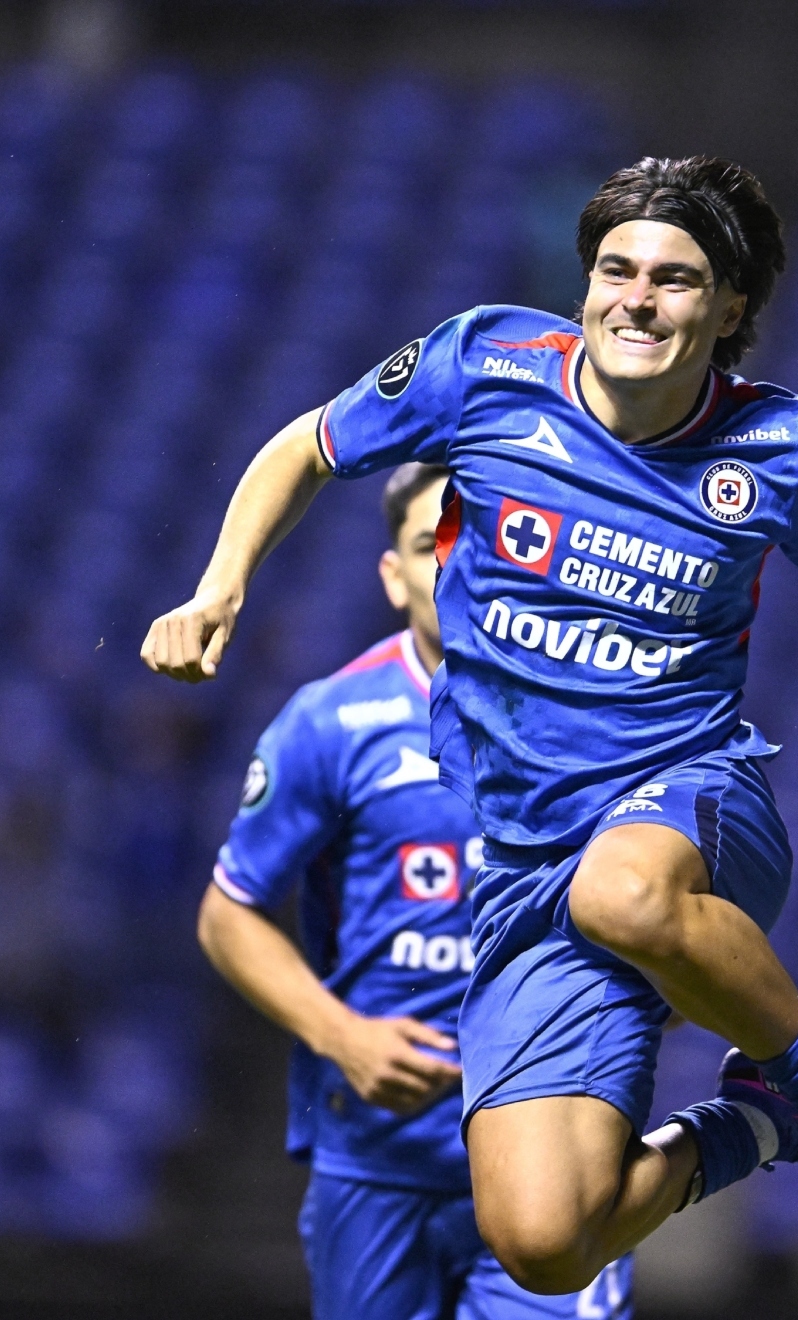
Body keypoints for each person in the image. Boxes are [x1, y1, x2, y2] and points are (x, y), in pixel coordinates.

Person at [147, 156, 798, 1294]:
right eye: (616, 269)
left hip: (691, 800)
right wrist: (220, 585)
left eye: (675, 279)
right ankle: (760, 1126)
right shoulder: (484, 364)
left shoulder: (777, 445)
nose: (636, 297)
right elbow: (303, 447)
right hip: (525, 859)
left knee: (618, 892)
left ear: (729, 309)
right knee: (544, 1240)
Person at [197, 462, 632, 1319]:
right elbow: (227, 913)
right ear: (393, 578)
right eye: (424, 544)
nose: (452, 560)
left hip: (555, 1143)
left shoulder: (605, 723)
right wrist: (342, 1035)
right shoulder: (329, 722)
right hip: (378, 1157)